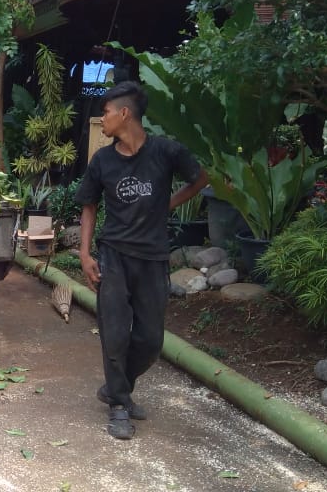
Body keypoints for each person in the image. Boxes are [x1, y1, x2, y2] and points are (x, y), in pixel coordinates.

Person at [74, 81, 208, 440]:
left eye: (105, 112)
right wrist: (86, 254)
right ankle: (119, 404)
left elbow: (200, 179)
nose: (101, 118)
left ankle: (117, 387)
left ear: (124, 113)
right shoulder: (103, 160)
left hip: (152, 258)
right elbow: (89, 207)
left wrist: (168, 204)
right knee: (115, 335)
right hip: (114, 257)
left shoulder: (166, 152)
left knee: (150, 341)